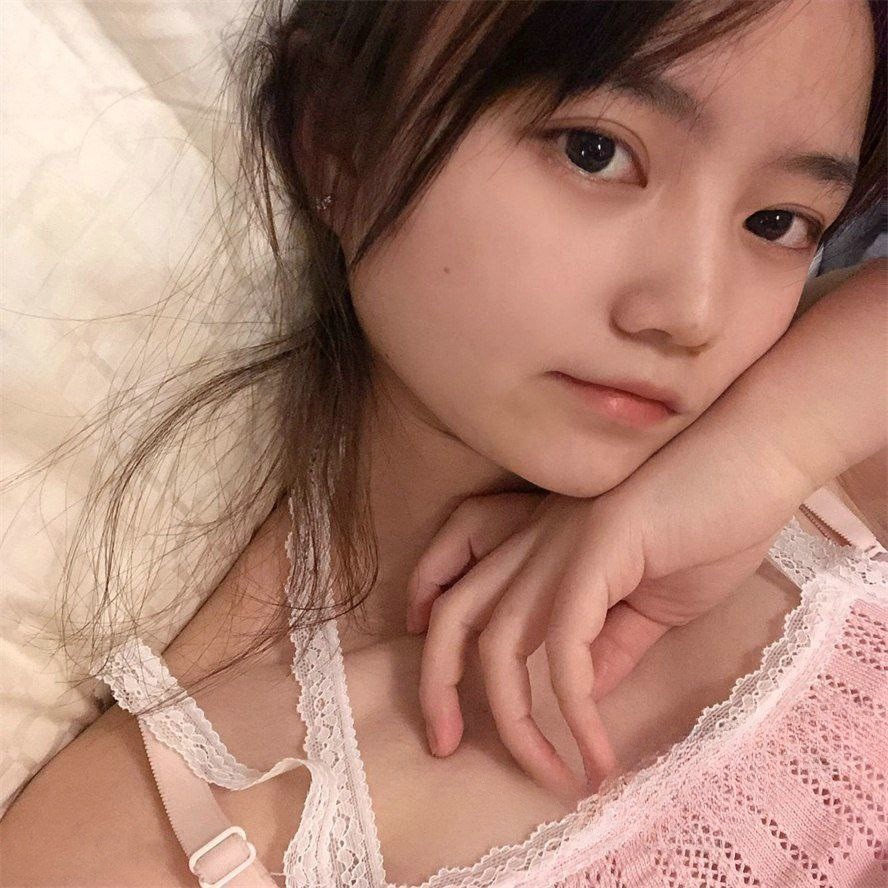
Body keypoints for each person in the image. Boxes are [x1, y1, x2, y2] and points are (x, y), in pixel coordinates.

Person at [0, 1, 885, 886]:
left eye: (778, 223)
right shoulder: (162, 836)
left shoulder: (830, 464)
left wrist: (768, 453)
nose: (692, 312)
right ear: (337, 138)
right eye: (594, 152)